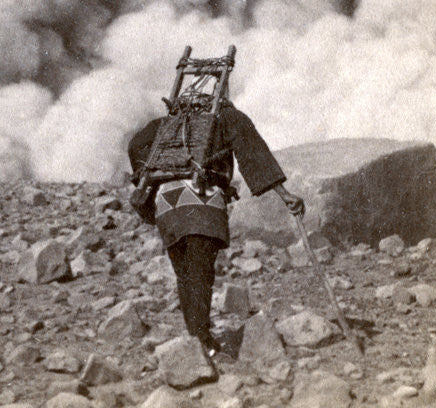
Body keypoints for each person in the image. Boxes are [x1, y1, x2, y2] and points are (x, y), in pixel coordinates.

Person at [128, 98, 304, 360]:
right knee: (201, 275)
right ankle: (202, 342)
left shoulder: (166, 124)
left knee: (185, 275)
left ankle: (196, 340)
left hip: (167, 203)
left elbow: (135, 146)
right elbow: (254, 155)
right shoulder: (228, 117)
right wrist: (285, 193)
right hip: (203, 200)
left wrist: (148, 180)